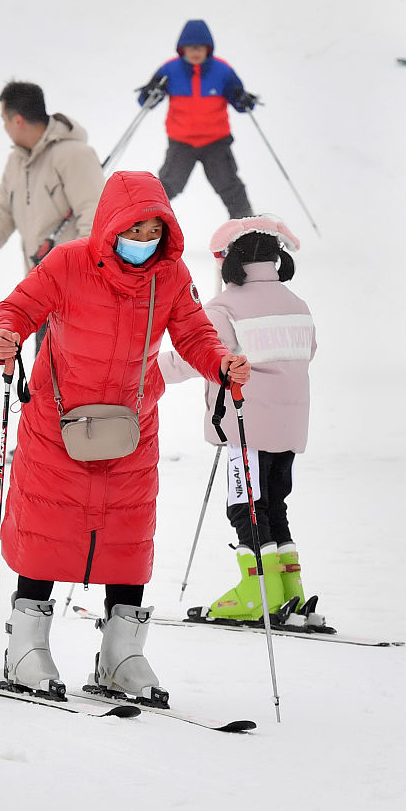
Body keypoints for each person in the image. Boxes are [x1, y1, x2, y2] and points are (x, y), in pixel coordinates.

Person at [0, 170, 250, 706]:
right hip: (59, 424)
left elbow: (195, 333)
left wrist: (221, 365)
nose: (144, 242)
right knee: (46, 529)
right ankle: (26, 648)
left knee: (126, 540)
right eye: (134, 231)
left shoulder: (171, 276)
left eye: (154, 232)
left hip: (131, 424)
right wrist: (5, 338)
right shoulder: (67, 263)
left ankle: (122, 654)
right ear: (110, 227)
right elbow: (18, 308)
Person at [159, 216, 320, 627]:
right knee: (274, 505)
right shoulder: (297, 304)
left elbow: (196, 357)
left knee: (245, 507)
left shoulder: (224, 307)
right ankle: (290, 590)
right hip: (290, 427)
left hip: (244, 427)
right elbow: (307, 353)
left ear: (229, 262)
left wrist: (142, 370)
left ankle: (257, 593)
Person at [0, 81, 104, 279]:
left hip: (74, 280)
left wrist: (81, 270)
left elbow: (95, 216)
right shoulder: (16, 162)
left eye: (5, 120)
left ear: (18, 121)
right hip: (39, 280)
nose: (4, 127)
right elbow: (2, 212)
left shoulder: (74, 155)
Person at [137, 19, 258, 219]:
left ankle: (246, 227)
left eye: (200, 48)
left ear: (208, 49)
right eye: (190, 48)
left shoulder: (222, 71)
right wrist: (151, 92)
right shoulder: (170, 70)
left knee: (229, 185)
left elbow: (239, 100)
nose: (195, 52)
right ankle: (143, 221)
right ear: (181, 49)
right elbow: (146, 101)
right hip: (181, 142)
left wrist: (243, 100)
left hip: (216, 142)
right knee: (168, 184)